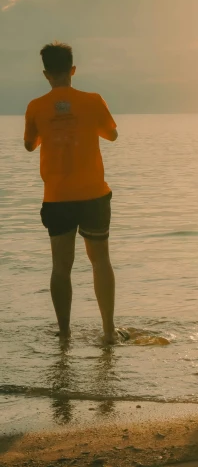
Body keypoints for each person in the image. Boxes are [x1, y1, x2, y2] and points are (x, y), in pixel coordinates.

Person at [24, 42, 120, 344]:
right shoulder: (92, 100)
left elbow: (30, 144)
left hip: (58, 197)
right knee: (100, 260)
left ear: (45, 74)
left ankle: (65, 334)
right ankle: (108, 332)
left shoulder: (36, 106)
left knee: (61, 267)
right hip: (93, 194)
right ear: (73, 70)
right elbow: (112, 134)